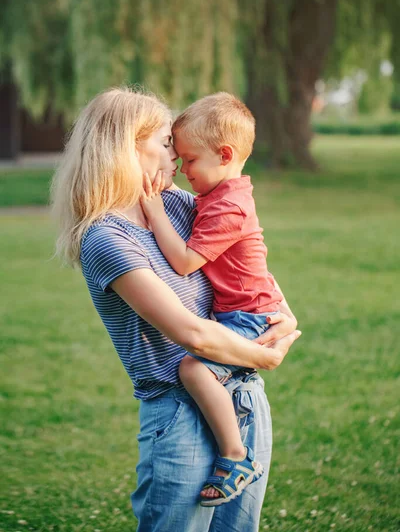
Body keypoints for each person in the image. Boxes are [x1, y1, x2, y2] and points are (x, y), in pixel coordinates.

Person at [51, 86, 301, 532]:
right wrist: (266, 353)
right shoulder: (106, 238)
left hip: (242, 393)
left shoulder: (179, 205)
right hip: (181, 411)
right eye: (168, 144)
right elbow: (192, 334)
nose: (179, 158)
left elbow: (248, 262)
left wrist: (285, 314)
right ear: (127, 149)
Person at [140, 92, 295, 506]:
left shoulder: (230, 207)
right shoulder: (218, 195)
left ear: (224, 154)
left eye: (189, 160)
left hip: (247, 316)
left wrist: (154, 212)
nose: (182, 168)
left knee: (193, 369)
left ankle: (234, 454)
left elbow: (187, 261)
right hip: (242, 309)